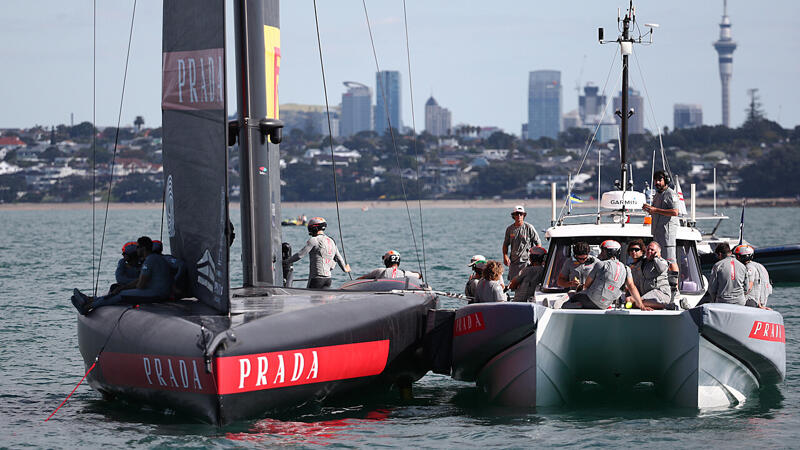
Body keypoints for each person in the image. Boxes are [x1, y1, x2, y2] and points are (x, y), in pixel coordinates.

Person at [71, 236, 173, 315]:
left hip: (157, 295)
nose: (136, 250)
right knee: (120, 291)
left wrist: (122, 289)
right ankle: (90, 300)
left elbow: (140, 285)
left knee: (121, 295)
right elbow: (139, 280)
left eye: (138, 247)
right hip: (160, 292)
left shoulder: (150, 260)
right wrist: (123, 287)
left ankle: (87, 307)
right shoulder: (156, 258)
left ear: (143, 248)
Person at [562, 240, 650, 310]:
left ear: (607, 252)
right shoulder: (626, 269)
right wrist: (641, 305)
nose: (600, 254)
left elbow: (586, 286)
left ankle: (579, 305)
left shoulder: (600, 264)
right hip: (605, 305)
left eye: (602, 251)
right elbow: (632, 287)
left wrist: (578, 287)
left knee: (568, 301)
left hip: (590, 300)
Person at [642, 170, 681, 303]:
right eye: (656, 180)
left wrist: (655, 210)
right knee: (660, 260)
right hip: (657, 233)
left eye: (660, 179)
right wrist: (649, 208)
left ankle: (674, 291)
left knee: (671, 261)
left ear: (666, 180)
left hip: (667, 233)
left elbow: (675, 212)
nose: (657, 182)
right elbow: (655, 210)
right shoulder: (657, 195)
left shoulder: (671, 194)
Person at [286, 217, 350, 289]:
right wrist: (345, 269)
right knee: (323, 299)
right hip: (328, 279)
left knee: (313, 299)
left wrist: (286, 262)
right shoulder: (331, 241)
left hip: (316, 279)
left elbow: (300, 255)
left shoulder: (314, 240)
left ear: (314, 228)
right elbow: (339, 258)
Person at [627, 241, 673, 310]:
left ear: (658, 252)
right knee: (630, 300)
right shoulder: (643, 263)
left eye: (652, 250)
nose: (649, 251)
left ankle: (667, 306)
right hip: (647, 296)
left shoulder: (662, 262)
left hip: (660, 293)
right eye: (648, 249)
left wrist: (656, 257)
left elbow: (661, 269)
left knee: (635, 301)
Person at [502, 205, 541, 282]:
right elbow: (505, 244)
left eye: (521, 214)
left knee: (526, 282)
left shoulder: (529, 227)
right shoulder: (509, 229)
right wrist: (505, 256)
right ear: (513, 215)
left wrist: (536, 259)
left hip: (526, 261)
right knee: (514, 284)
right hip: (514, 262)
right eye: (517, 214)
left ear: (524, 215)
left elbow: (538, 243)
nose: (519, 216)